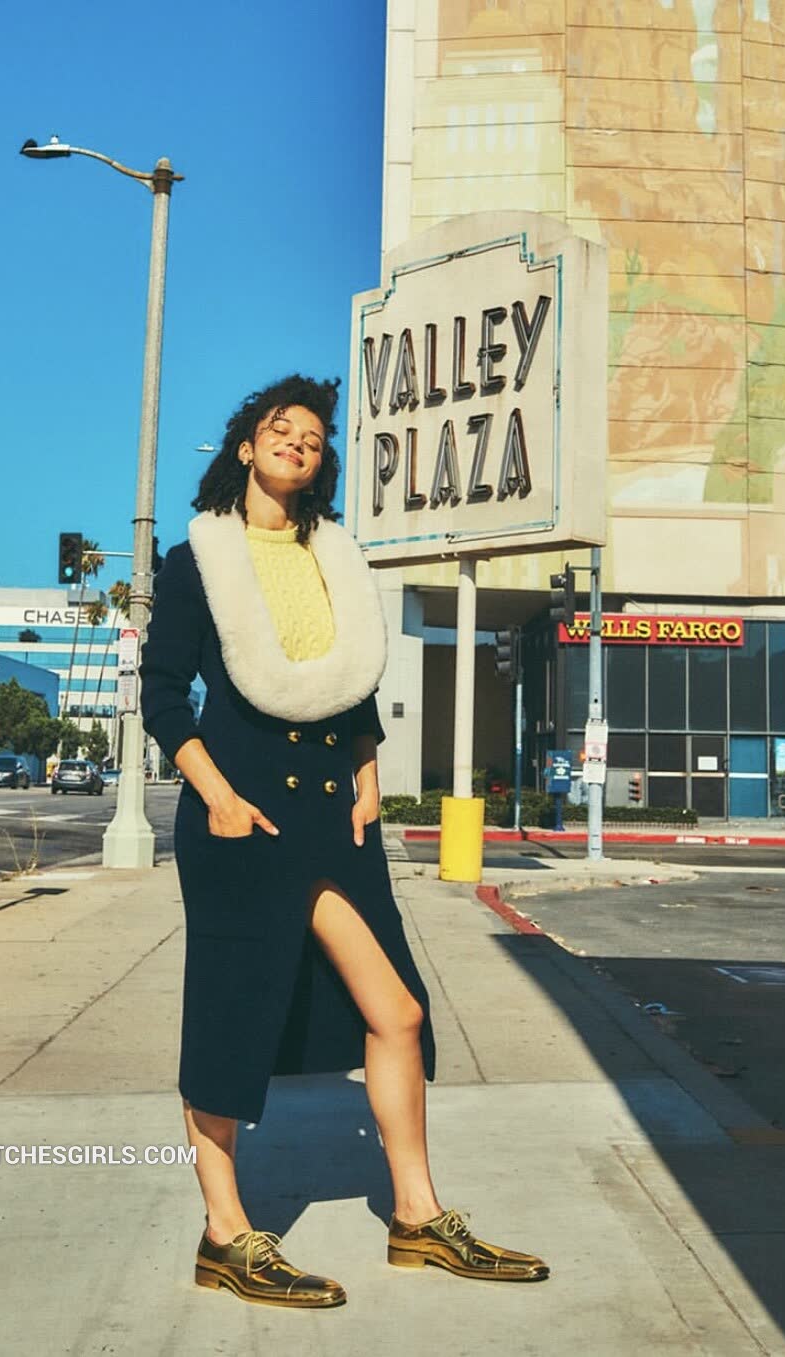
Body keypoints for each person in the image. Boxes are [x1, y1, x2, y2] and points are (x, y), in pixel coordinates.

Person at [140, 373, 549, 1310]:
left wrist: (368, 773)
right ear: (246, 446)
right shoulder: (198, 559)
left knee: (397, 1011)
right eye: (280, 429)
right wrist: (217, 796)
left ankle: (417, 1216)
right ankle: (225, 1233)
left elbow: (351, 685)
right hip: (242, 818)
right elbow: (162, 692)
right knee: (231, 1019)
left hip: (334, 817)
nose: (297, 442)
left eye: (314, 437)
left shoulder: (335, 554)